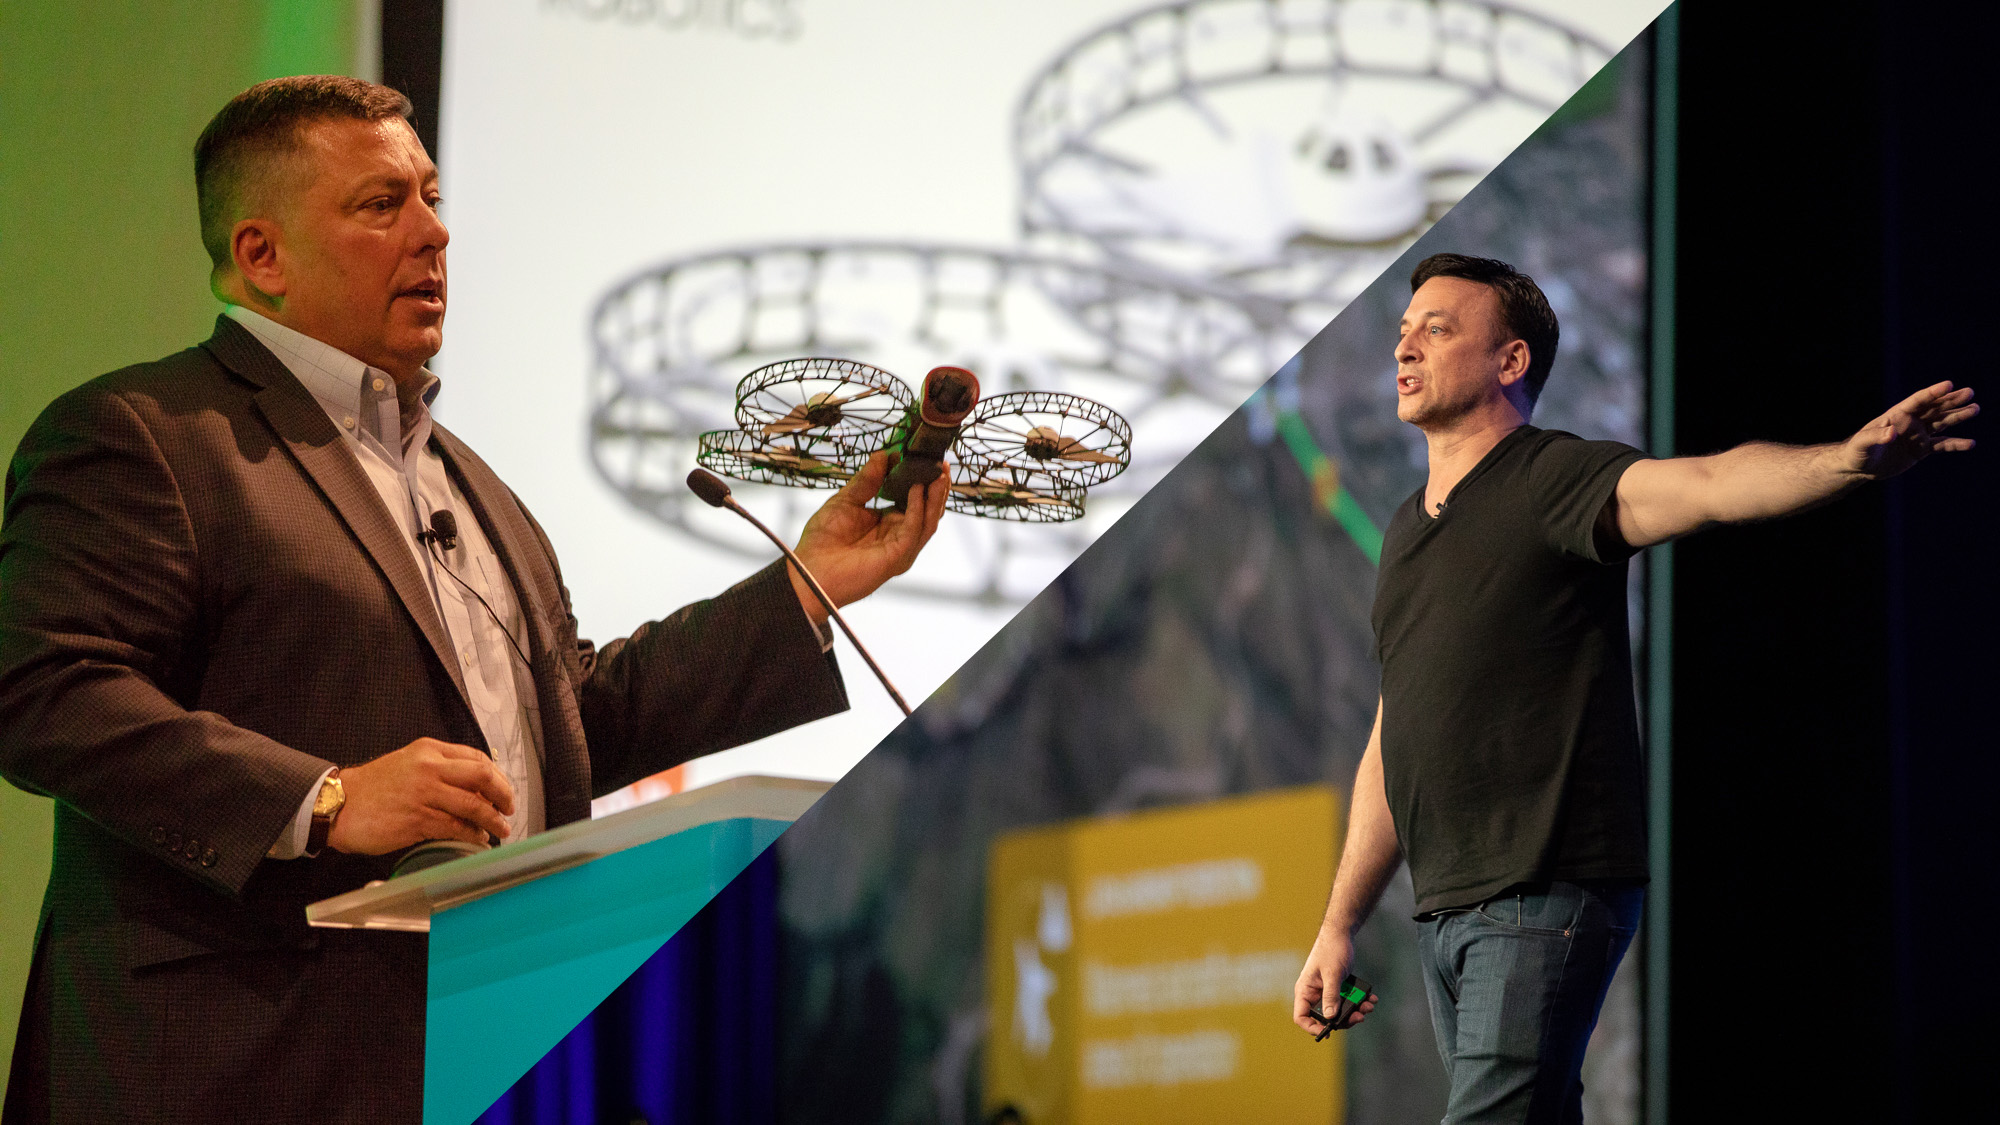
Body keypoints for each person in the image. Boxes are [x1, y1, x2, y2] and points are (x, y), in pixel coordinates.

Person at [0, 76, 947, 1123]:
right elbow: (43, 690)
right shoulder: (149, 435)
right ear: (261, 256)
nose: (434, 234)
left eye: (434, 198)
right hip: (239, 1067)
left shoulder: (471, 485)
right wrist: (325, 799)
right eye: (380, 205)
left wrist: (809, 584)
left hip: (484, 1046)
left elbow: (572, 725)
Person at [1290, 253, 1976, 1122]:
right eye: (1402, 330)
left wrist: (1845, 460)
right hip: (1447, 913)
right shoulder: (1401, 534)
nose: (1406, 347)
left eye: (1438, 328)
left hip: (1542, 893)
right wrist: (1338, 923)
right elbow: (1397, 737)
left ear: (1511, 361)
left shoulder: (1552, 478)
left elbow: (1710, 483)